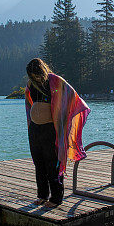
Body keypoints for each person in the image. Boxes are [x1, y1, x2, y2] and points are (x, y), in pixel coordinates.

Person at [24, 58, 90, 207]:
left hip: (50, 129)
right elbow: (28, 103)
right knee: (38, 163)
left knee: (52, 163)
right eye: (31, 75)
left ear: (41, 70)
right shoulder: (31, 84)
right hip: (35, 129)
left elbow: (73, 96)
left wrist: (61, 114)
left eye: (36, 74)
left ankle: (56, 198)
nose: (34, 77)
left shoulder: (55, 80)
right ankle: (42, 195)